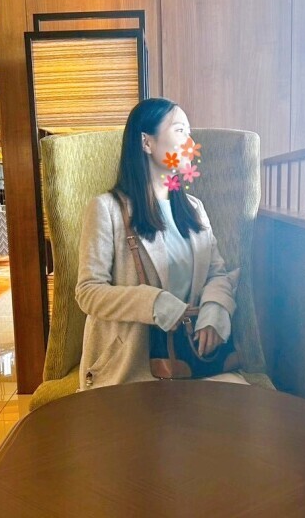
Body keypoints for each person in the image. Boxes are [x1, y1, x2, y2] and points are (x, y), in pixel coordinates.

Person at [76, 98, 247, 390]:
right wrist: (153, 303)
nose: (190, 143)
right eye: (180, 130)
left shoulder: (194, 208)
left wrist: (215, 309)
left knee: (241, 406)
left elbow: (216, 273)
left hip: (193, 360)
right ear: (146, 142)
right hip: (130, 368)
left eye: (189, 134)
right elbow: (88, 292)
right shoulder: (106, 209)